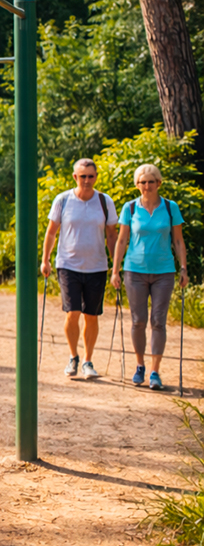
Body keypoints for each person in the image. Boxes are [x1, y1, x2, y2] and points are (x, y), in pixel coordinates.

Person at [111, 164, 189, 390]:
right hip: (134, 271)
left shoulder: (170, 207)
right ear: (138, 185)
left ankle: (155, 371)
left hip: (164, 271)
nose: (146, 186)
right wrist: (115, 270)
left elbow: (178, 240)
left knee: (158, 321)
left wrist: (183, 268)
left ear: (158, 183)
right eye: (142, 182)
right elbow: (122, 240)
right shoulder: (130, 208)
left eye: (151, 181)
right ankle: (140, 365)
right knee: (138, 320)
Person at [40, 159, 118, 380]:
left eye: (90, 176)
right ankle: (73, 356)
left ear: (95, 177)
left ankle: (87, 360)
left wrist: (115, 266)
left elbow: (112, 235)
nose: (86, 180)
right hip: (68, 265)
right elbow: (52, 231)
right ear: (75, 177)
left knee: (91, 316)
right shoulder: (63, 200)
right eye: (82, 176)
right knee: (72, 312)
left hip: (97, 266)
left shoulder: (105, 201)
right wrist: (45, 260)